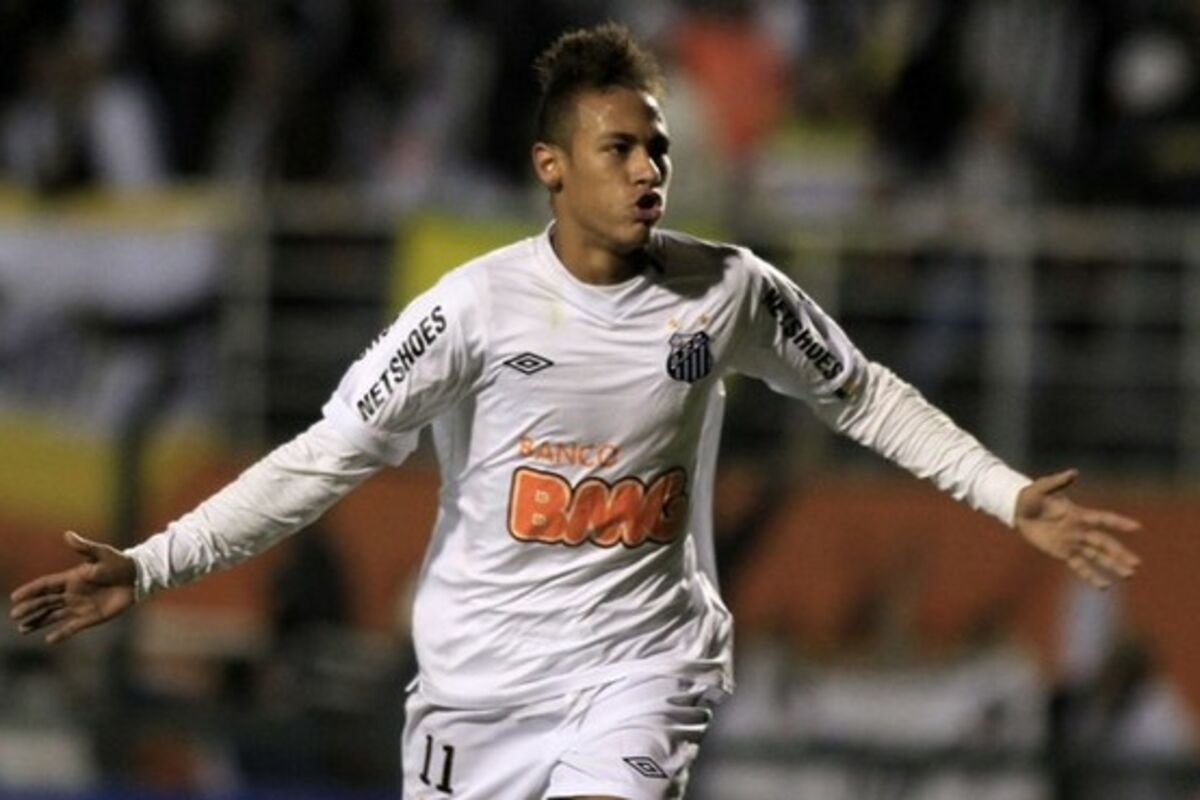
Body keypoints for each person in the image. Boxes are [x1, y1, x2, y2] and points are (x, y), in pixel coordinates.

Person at [9, 23, 1141, 800]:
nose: (650, 169)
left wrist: (1007, 493)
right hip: (477, 694)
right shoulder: (470, 310)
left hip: (639, 673)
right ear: (551, 166)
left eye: (658, 147)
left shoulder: (729, 289)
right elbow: (321, 460)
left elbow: (865, 395)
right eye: (620, 148)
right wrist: (150, 566)